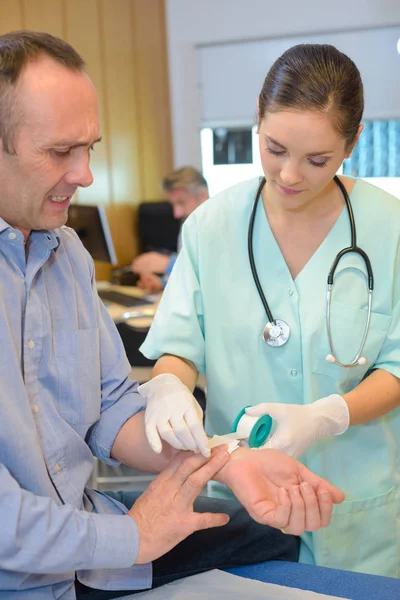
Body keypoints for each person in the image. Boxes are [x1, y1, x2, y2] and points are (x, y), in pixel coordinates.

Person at [0, 31, 344, 600]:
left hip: (89, 542)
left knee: (268, 534)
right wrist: (133, 536)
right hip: (33, 565)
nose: (86, 174)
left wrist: (227, 461)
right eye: (61, 152)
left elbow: (110, 406)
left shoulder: (67, 255)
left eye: (90, 147)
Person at [140, 43, 400, 578]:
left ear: (352, 143)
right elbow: (179, 346)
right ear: (257, 116)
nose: (289, 174)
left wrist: (328, 417)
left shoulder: (389, 228)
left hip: (359, 507)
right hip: (243, 505)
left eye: (317, 160)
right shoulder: (211, 226)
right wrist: (168, 384)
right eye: (274, 147)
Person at [131, 167, 208, 292]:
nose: (176, 213)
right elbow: (191, 282)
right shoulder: (187, 225)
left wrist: (169, 264)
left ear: (202, 196)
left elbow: (216, 274)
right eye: (173, 205)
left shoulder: (222, 226)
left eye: (181, 203)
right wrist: (161, 283)